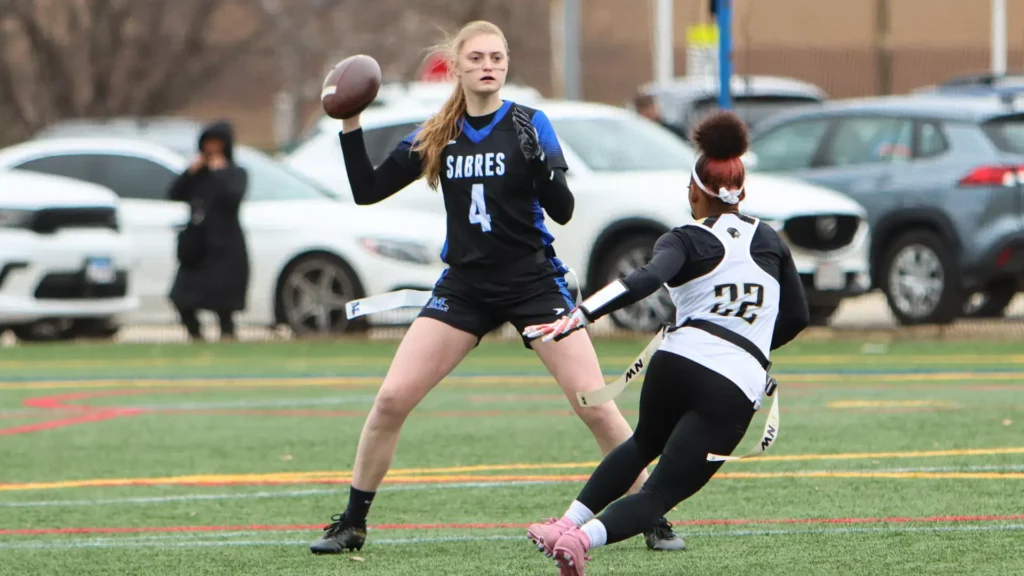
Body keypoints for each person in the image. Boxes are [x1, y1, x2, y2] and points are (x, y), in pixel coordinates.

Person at [308, 20, 683, 554]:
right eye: (478, 58)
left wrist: (541, 166)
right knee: (391, 399)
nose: (489, 66)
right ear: (456, 67)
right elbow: (367, 190)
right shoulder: (438, 130)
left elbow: (564, 210)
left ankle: (652, 513)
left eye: (497, 58)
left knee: (594, 403)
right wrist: (350, 121)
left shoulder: (530, 122)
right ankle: (351, 523)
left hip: (533, 282)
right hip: (464, 286)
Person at [521, 110, 811, 575]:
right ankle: (580, 539)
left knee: (642, 443)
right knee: (658, 493)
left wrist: (580, 314)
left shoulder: (684, 237)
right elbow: (797, 315)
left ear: (696, 190)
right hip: (732, 380)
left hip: (676, 360)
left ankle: (566, 522)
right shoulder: (770, 239)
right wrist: (750, 346)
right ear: (742, 192)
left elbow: (644, 279)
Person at [167, 121, 250, 342]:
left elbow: (233, 197)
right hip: (197, 247)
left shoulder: (235, 173)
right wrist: (191, 171)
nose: (212, 150)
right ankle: (195, 334)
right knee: (181, 296)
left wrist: (220, 172)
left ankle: (227, 335)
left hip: (226, 246)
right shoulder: (198, 175)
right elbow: (174, 193)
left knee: (224, 301)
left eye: (217, 144)